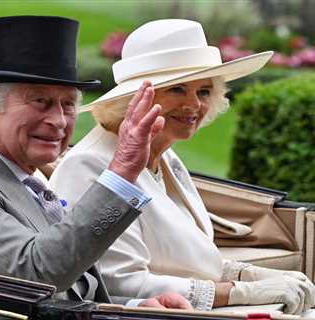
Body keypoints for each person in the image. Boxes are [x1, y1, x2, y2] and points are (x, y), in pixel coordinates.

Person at [0, 16, 191, 309]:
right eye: (40, 101)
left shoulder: (21, 176)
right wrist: (122, 170)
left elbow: (60, 294)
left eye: (68, 104)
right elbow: (38, 274)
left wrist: (132, 307)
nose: (59, 121)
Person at [49, 19, 315, 315]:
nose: (194, 105)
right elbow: (119, 283)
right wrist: (244, 292)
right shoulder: (89, 165)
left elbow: (194, 261)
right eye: (177, 89)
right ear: (134, 99)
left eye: (203, 92)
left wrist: (251, 275)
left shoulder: (165, 156)